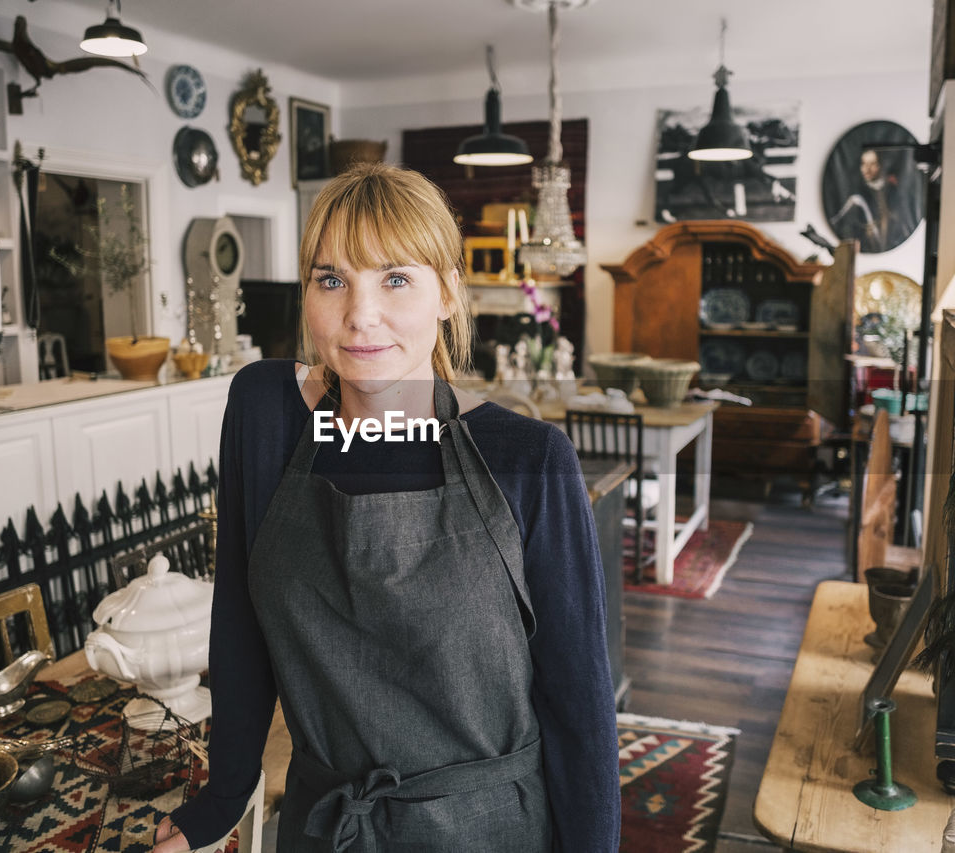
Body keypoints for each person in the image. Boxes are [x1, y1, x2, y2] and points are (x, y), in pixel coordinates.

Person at [153, 163, 620, 852]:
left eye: (395, 278)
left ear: (448, 294)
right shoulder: (266, 416)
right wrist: (226, 792)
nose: (359, 315)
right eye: (331, 278)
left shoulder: (528, 458)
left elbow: (579, 704)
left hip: (486, 831)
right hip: (325, 827)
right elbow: (240, 620)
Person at [828, 148, 917, 253]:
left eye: (872, 164)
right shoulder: (857, 193)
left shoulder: (892, 190)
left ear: (880, 165)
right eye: (864, 164)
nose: (867, 169)